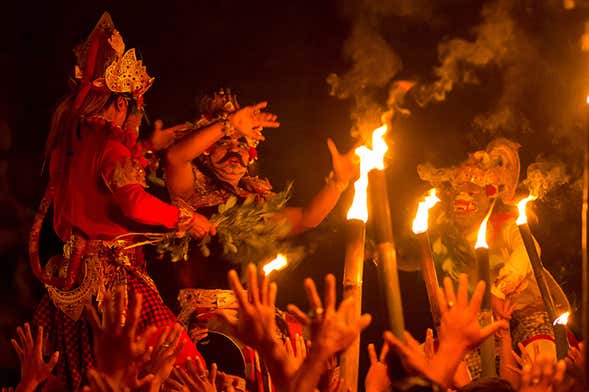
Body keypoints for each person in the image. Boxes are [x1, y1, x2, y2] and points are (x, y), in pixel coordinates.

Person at [28, 13, 209, 390]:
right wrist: (185, 219)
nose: (132, 115)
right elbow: (132, 202)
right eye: (130, 105)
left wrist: (146, 149)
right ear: (117, 103)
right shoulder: (110, 148)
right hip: (113, 280)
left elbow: (98, 185)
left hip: (71, 280)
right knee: (183, 368)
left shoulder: (71, 145)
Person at [160, 88, 358, 293]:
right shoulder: (191, 192)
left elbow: (307, 218)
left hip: (246, 313)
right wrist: (228, 125)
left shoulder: (254, 205)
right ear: (204, 153)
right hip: (199, 315)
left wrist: (338, 183)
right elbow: (174, 158)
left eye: (242, 145)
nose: (235, 150)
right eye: (225, 143)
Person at [417, 138, 568, 377]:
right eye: (457, 192)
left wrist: (499, 291)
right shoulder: (442, 239)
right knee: (435, 365)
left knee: (541, 362)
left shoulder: (507, 226)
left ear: (490, 195)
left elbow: (529, 251)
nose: (462, 199)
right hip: (478, 327)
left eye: (471, 192)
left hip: (527, 315)